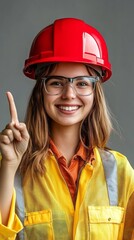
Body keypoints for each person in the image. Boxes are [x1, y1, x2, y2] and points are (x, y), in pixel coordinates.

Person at [0, 18, 134, 240]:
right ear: (40, 91)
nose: (69, 94)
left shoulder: (119, 172)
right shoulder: (11, 168)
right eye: (56, 82)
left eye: (81, 83)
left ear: (95, 92)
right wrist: (9, 166)